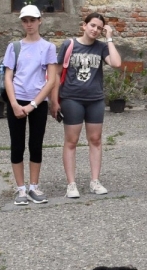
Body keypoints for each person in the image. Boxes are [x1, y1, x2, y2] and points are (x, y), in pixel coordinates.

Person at [51, 12, 122, 198]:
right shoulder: (69, 44)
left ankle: (95, 181)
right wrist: (54, 100)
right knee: (71, 141)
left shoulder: (101, 47)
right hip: (71, 98)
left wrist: (109, 38)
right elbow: (56, 73)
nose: (95, 30)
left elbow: (116, 63)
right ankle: (71, 184)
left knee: (95, 139)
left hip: (95, 100)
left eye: (99, 28)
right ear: (84, 25)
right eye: (92, 25)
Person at [3, 4, 59, 205]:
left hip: (38, 102)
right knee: (17, 145)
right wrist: (14, 103)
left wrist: (33, 105)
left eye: (32, 20)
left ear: (40, 21)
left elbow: (51, 80)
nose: (29, 24)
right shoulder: (14, 47)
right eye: (25, 21)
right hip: (17, 99)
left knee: (36, 144)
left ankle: (34, 186)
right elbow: (8, 77)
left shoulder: (48, 47)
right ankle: (20, 189)